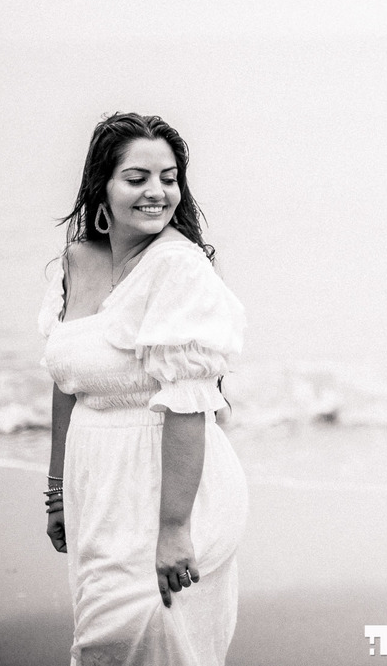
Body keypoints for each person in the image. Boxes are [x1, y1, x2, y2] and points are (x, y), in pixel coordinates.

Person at [39, 112, 248, 665]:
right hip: (96, 485)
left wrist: (174, 530)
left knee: (148, 635)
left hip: (170, 489)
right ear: (102, 185)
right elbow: (67, 383)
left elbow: (187, 406)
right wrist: (57, 490)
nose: (157, 192)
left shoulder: (178, 268)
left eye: (169, 178)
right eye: (137, 178)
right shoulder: (76, 260)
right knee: (104, 642)